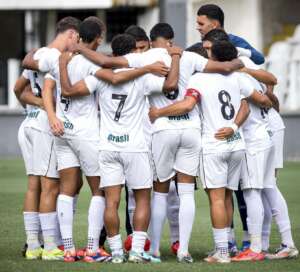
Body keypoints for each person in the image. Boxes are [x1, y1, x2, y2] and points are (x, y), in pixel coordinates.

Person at [149, 40, 272, 263]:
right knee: (226, 196)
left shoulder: (199, 79)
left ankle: (222, 253)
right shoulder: (238, 77)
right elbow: (252, 103)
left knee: (216, 198)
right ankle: (226, 246)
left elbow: (186, 105)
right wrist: (234, 126)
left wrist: (159, 112)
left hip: (213, 145)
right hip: (236, 144)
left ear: (212, 57)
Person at [59, 33, 176, 263]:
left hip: (108, 147)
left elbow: (70, 91)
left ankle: (115, 253)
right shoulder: (143, 77)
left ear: (113, 53)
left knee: (110, 201)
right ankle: (136, 251)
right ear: (134, 52)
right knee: (142, 197)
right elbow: (170, 85)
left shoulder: (101, 77)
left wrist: (63, 66)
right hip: (134, 146)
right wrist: (175, 59)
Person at [187, 3, 264, 65]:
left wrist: (238, 51)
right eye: (207, 49)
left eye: (201, 24)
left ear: (214, 24)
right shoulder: (198, 47)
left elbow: (260, 59)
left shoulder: (234, 42)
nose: (197, 28)